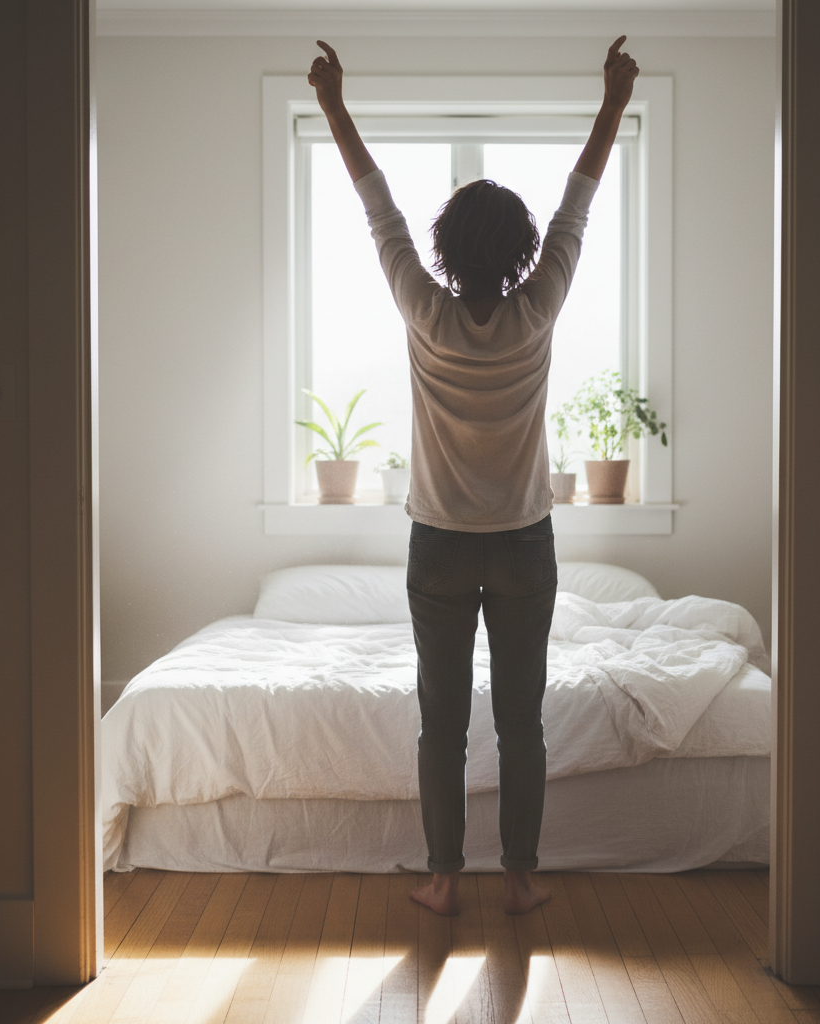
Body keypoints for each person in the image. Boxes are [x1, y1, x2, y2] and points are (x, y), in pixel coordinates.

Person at [308, 37, 639, 915]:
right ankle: (521, 876)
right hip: (525, 545)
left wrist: (336, 106)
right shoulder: (538, 308)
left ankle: (445, 877)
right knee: (520, 721)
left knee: (442, 725)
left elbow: (377, 208)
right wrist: (611, 102)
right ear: (524, 250)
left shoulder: (423, 308)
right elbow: (580, 202)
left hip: (441, 548)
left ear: (448, 251)